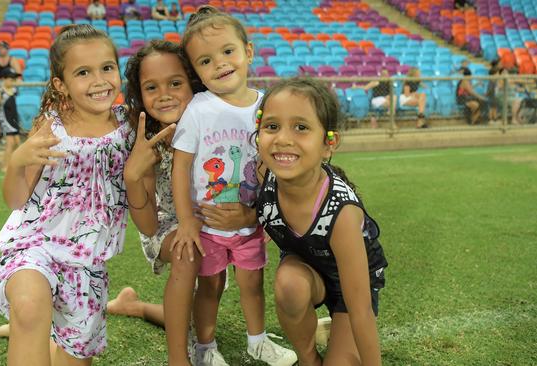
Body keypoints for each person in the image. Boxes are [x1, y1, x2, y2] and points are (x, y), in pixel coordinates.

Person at [0, 24, 132, 366]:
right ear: (60, 83)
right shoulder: (51, 127)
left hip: (86, 265)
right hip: (35, 245)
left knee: (72, 355)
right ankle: (30, 322)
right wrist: (17, 161)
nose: (99, 80)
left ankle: (40, 330)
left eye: (107, 68)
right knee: (28, 305)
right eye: (83, 72)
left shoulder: (128, 126)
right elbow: (15, 200)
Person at [172, 6, 297, 366]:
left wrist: (263, 214)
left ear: (249, 51)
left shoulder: (266, 107)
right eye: (206, 60)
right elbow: (181, 168)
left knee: (252, 285)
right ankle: (204, 349)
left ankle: (257, 341)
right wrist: (186, 219)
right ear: (196, 71)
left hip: (249, 222)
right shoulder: (198, 108)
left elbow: (275, 164)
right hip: (207, 225)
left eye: (228, 51)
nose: (221, 64)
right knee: (209, 287)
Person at [124, 39, 261, 364]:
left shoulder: (215, 123)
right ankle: (179, 359)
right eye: (152, 87)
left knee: (207, 291)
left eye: (175, 83)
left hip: (209, 221)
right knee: (188, 256)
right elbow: (148, 224)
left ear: (194, 85)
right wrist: (133, 177)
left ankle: (135, 306)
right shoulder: (148, 140)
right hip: (168, 224)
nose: (165, 94)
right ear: (140, 94)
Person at [254, 77, 388, 366]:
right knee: (289, 285)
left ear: (329, 144)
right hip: (305, 272)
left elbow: (360, 307)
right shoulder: (265, 174)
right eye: (272, 126)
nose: (283, 139)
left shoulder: (342, 214)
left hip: (350, 288)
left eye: (301, 127)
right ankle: (308, 358)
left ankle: (338, 329)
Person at [0, 67, 22, 172]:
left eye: (13, 79)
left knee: (17, 142)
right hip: (5, 120)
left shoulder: (13, 90)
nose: (12, 81)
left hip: (13, 119)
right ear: (3, 79)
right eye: (10, 79)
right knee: (10, 143)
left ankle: (5, 159)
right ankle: (5, 166)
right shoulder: (0, 92)